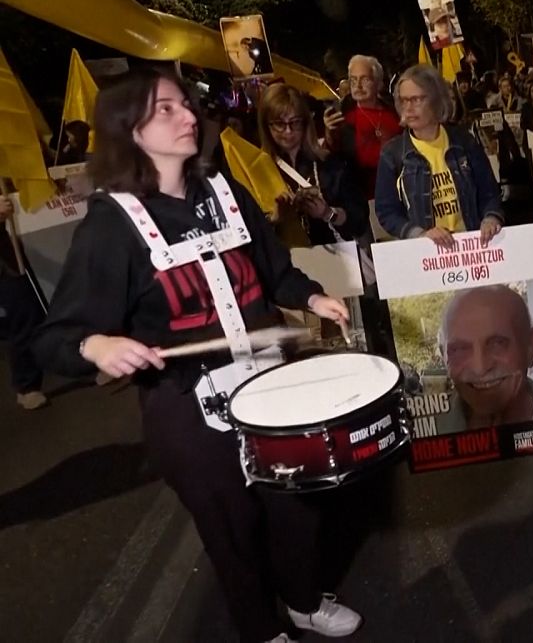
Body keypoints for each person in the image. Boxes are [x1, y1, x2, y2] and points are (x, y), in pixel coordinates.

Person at [32, 67, 360, 643]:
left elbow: (273, 269)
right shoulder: (113, 223)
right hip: (189, 408)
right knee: (231, 528)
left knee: (297, 506)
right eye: (167, 110)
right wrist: (97, 344)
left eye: (186, 105)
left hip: (271, 386)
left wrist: (310, 296)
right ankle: (262, 629)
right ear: (128, 130)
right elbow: (57, 337)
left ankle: (304, 599)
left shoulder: (226, 192)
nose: (189, 116)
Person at [374, 64, 503, 245]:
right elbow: (387, 212)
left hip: (473, 248)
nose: (408, 108)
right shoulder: (392, 154)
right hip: (427, 257)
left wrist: (491, 218)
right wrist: (419, 234)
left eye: (416, 99)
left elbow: (489, 192)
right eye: (403, 100)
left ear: (436, 101)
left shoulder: (464, 142)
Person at [257, 84, 367, 247]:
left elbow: (360, 219)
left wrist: (328, 213)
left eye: (295, 122)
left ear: (306, 122)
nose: (288, 131)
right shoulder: (258, 170)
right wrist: (274, 219)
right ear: (266, 126)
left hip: (335, 262)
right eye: (279, 124)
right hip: (286, 264)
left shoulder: (329, 164)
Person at [436, 285, 533, 433]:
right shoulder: (431, 427)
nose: (480, 368)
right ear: (444, 356)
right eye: (460, 349)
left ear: (531, 346)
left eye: (497, 344)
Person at [322, 55, 403, 214]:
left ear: (378, 83)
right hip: (366, 202)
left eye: (364, 79)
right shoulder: (343, 119)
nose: (357, 86)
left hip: (403, 193)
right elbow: (331, 156)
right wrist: (330, 134)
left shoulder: (395, 112)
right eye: (353, 80)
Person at [0, 196, 47, 410]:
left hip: (6, 254)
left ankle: (27, 385)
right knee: (23, 315)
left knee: (32, 311)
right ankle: (26, 385)